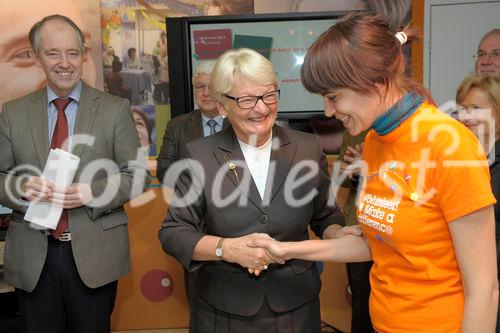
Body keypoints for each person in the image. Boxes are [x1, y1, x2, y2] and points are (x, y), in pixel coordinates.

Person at [249, 14, 498, 333]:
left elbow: (484, 290)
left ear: (377, 82)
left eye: (333, 97)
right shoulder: (376, 140)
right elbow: (376, 243)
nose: (328, 111)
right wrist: (285, 250)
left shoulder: (450, 146)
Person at [158, 48, 350, 333]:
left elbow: (326, 216)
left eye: (269, 95)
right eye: (247, 99)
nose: (261, 108)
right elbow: (173, 233)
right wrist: (227, 249)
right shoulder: (199, 155)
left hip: (295, 304)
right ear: (222, 106)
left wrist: (340, 234)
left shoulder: (307, 148)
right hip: (224, 309)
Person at [0, 15, 150, 333]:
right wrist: (23, 186)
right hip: (33, 257)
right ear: (38, 56)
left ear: (83, 54)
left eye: (72, 52)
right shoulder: (13, 113)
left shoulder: (115, 109)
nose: (64, 63)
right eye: (53, 53)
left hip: (95, 256)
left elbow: (138, 175)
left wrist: (91, 192)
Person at [0, 0, 98, 109]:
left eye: (76, 51)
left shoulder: (115, 114)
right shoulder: (11, 115)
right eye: (27, 54)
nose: (65, 65)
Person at [156, 60, 228, 184]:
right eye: (200, 87)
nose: (206, 93)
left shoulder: (238, 124)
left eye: (212, 87)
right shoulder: (177, 127)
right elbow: (164, 171)